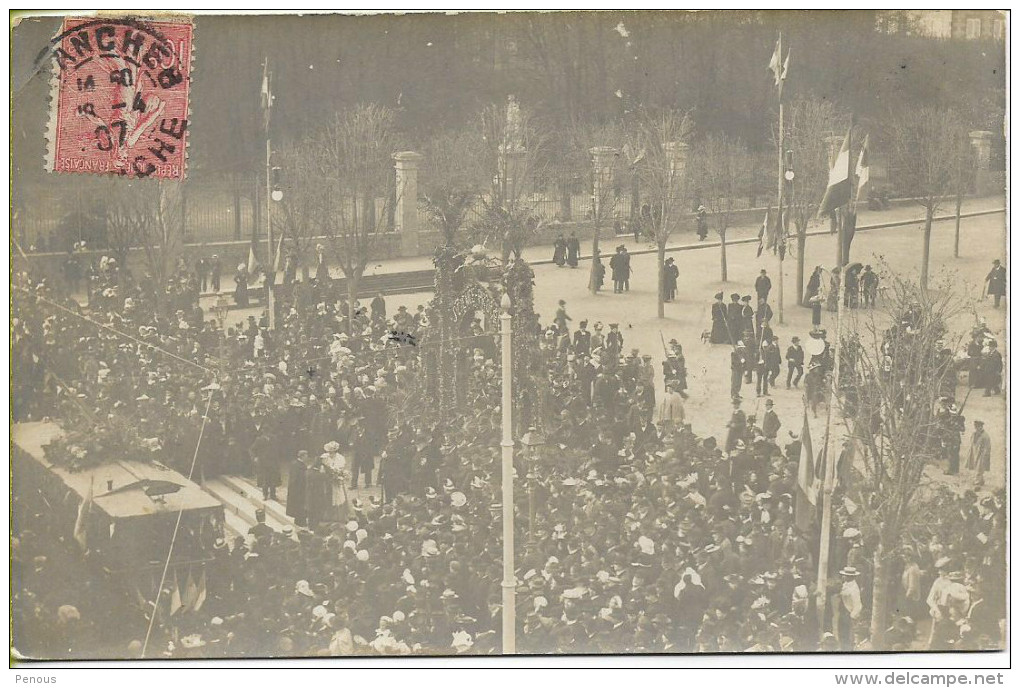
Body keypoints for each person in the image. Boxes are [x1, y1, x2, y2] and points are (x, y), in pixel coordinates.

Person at [286, 451, 310, 527]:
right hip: (299, 489)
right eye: (306, 455)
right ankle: (301, 522)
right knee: (300, 506)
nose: (307, 457)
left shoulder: (295, 464)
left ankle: (299, 521)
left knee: (298, 506)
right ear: (302, 456)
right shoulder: (299, 466)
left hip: (297, 489)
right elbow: (297, 478)